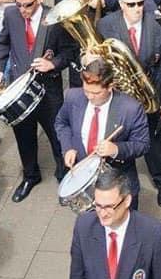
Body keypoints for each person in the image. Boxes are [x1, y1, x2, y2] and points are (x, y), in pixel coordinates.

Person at [0, 0, 77, 202]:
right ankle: (30, 175)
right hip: (20, 90)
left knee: (58, 137)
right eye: (19, 4)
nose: (22, 10)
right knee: (24, 137)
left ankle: (65, 175)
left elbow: (70, 52)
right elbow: (3, 43)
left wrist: (53, 64)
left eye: (28, 5)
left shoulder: (55, 20)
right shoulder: (11, 15)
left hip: (49, 92)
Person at [97, 0, 161, 207]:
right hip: (121, 99)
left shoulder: (159, 27)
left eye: (140, 3)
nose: (137, 8)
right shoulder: (106, 24)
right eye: (131, 4)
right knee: (121, 144)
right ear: (121, 5)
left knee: (154, 143)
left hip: (149, 97)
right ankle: (122, 187)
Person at [55, 58, 150, 208]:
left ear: (110, 86)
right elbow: (62, 123)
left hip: (117, 182)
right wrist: (67, 148)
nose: (90, 97)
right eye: (86, 91)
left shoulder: (131, 108)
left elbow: (142, 144)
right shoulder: (73, 97)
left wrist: (116, 149)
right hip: (84, 180)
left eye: (96, 92)